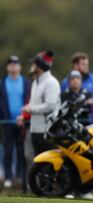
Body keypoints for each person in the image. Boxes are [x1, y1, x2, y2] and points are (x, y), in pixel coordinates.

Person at [20, 50, 60, 156]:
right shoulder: (35, 83)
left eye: (34, 63)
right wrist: (25, 113)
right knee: (38, 165)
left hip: (47, 131)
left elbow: (50, 106)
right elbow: (35, 104)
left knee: (48, 165)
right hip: (35, 130)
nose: (32, 66)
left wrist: (31, 109)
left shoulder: (51, 83)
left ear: (40, 65)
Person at [0, 55, 30, 190]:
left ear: (20, 67)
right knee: (7, 151)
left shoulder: (25, 82)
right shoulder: (2, 83)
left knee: (21, 151)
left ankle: (19, 175)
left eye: (15, 64)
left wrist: (25, 117)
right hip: (7, 122)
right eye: (11, 64)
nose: (13, 66)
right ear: (7, 67)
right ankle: (7, 177)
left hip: (22, 122)